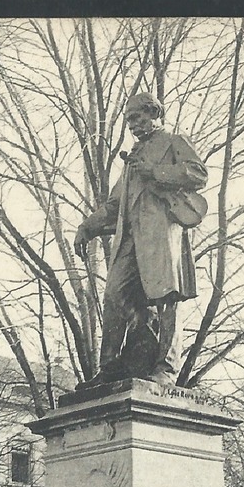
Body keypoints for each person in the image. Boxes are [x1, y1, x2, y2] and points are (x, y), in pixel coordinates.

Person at [74, 91, 207, 387]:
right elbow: (114, 204)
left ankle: (166, 368)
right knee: (114, 295)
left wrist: (156, 172)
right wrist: (87, 226)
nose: (132, 125)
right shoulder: (132, 158)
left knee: (166, 298)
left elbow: (198, 174)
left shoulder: (174, 141)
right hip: (130, 238)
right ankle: (110, 367)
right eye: (128, 121)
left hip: (161, 235)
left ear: (153, 113)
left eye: (136, 117)